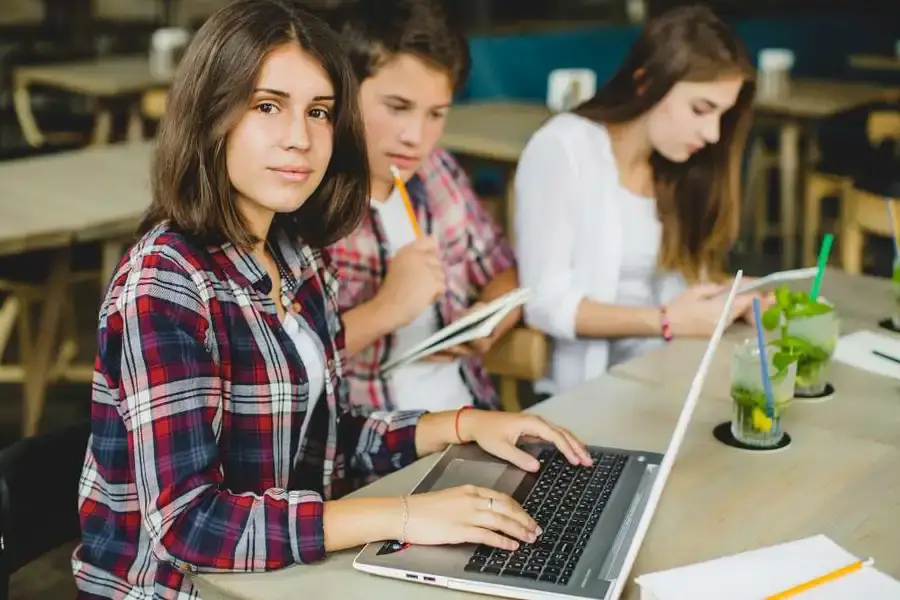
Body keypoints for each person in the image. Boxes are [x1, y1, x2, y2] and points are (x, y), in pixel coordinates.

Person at [71, 2, 591, 598]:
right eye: (268, 106)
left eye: (318, 112)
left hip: (284, 572)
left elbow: (325, 437)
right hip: (178, 589)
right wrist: (405, 515)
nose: (301, 139)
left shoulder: (297, 253)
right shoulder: (163, 284)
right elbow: (193, 526)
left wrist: (465, 424)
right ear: (210, 114)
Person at [514, 4, 762, 397]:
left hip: (664, 371)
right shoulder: (564, 148)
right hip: (588, 395)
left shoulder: (674, 165)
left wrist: (718, 295)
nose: (713, 133)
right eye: (701, 109)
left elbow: (662, 282)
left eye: (722, 115)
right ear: (647, 82)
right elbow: (544, 303)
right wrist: (667, 321)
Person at [326, 0, 519, 415]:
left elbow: (506, 271)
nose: (417, 136)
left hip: (471, 411)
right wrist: (387, 308)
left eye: (436, 114)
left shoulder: (439, 172)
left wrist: (488, 321)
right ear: (345, 92)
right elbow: (285, 363)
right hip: (372, 441)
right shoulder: (308, 202)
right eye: (397, 107)